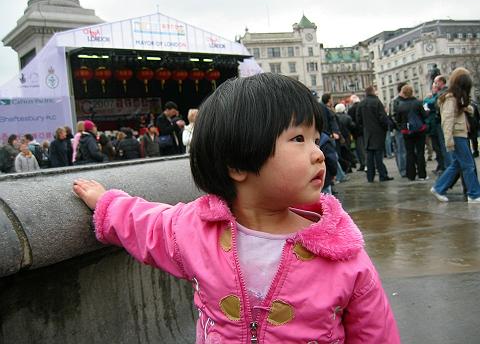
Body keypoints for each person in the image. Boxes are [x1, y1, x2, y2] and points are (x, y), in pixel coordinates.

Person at [73, 73, 400, 343]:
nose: (317, 153)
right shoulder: (197, 229)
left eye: (316, 139)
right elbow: (147, 224)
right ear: (237, 163)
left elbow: (374, 331)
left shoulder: (340, 251)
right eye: (298, 139)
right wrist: (106, 203)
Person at [431, 67, 480, 203]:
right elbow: (447, 120)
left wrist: (467, 107)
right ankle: (474, 194)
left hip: (459, 134)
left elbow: (460, 111)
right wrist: (448, 140)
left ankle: (439, 188)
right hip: (457, 135)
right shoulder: (451, 98)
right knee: (468, 165)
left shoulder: (454, 98)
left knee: (458, 165)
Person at [356, 86, 394, 182]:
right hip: (378, 132)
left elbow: (358, 119)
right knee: (378, 156)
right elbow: (382, 117)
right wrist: (386, 128)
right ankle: (382, 175)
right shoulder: (377, 102)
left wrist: (364, 127)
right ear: (373, 92)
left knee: (369, 156)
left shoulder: (361, 104)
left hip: (367, 133)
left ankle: (370, 176)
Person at [395, 85, 428, 181]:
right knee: (420, 152)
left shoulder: (400, 105)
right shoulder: (417, 103)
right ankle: (422, 174)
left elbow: (398, 119)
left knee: (409, 153)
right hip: (419, 130)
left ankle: (411, 175)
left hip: (407, 131)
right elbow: (424, 115)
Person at [391, 82, 408, 178]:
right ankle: (403, 170)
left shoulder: (404, 100)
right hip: (400, 129)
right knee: (401, 150)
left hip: (406, 128)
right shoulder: (395, 101)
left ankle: (407, 168)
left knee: (405, 150)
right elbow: (393, 116)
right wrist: (400, 126)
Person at [347, 95, 365, 171]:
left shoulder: (351, 110)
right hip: (365, 131)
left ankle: (363, 164)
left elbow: (351, 123)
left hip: (356, 133)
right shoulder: (363, 107)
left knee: (360, 149)